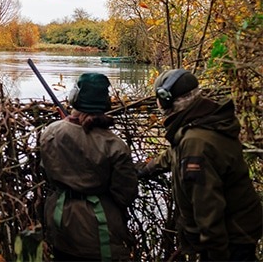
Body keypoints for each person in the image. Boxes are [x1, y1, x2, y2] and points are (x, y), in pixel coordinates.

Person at [138, 68, 263, 261]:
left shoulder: (195, 142)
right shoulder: (203, 124)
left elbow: (208, 209)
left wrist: (215, 254)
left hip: (230, 240)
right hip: (239, 231)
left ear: (166, 99)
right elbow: (175, 154)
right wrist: (147, 168)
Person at [41, 73, 138, 261]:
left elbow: (48, 171)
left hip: (59, 223)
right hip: (98, 231)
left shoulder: (50, 132)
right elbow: (126, 194)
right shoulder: (115, 145)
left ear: (75, 98)